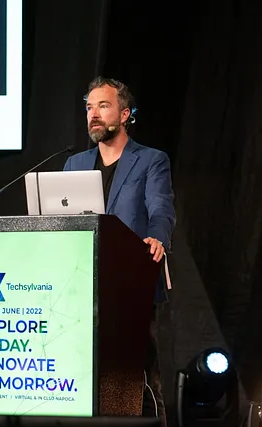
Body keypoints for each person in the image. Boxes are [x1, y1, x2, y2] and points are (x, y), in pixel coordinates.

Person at [63, 77, 176, 425]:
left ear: (125, 114)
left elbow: (161, 208)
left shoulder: (150, 160)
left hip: (131, 284)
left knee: (140, 381)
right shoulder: (74, 164)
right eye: (89, 107)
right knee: (86, 378)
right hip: (81, 286)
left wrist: (157, 238)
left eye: (103, 106)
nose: (93, 114)